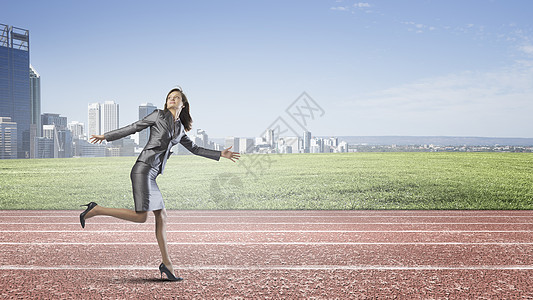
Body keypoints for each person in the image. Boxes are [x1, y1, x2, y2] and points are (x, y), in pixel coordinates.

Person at [81, 86, 240, 281]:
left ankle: (167, 264)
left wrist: (220, 154)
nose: (172, 99)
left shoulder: (180, 129)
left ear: (183, 104)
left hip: (153, 174)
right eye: (169, 97)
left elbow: (195, 149)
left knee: (162, 216)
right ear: (166, 102)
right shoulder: (158, 116)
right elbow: (134, 126)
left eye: (176, 97)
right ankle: (96, 210)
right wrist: (106, 136)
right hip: (143, 168)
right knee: (141, 218)